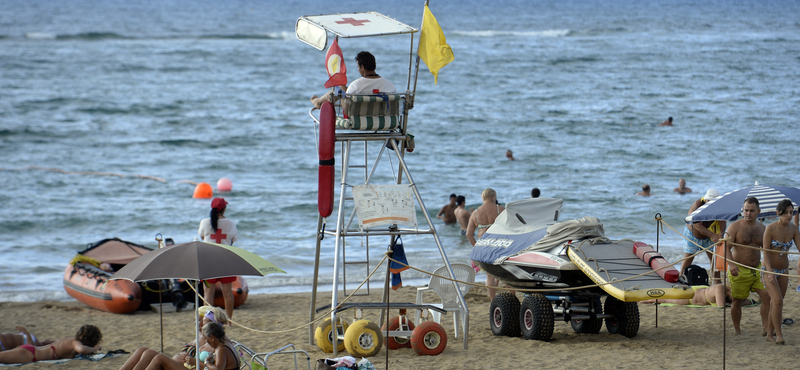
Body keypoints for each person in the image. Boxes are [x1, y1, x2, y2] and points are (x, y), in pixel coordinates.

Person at [724, 197, 771, 336]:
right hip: (738, 269)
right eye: (746, 210)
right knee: (737, 300)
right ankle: (737, 329)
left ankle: (765, 327)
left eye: (751, 211)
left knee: (767, 297)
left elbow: (767, 251)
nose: (748, 213)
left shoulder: (763, 228)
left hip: (757, 269)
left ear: (758, 211)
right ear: (742, 210)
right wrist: (731, 264)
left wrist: (769, 268)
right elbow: (726, 247)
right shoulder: (734, 227)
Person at [120, 322, 238, 370]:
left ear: (213, 336)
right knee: (145, 351)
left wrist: (203, 362)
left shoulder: (221, 349)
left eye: (207, 340)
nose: (207, 343)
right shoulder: (224, 344)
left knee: (159, 358)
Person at [761, 199, 800, 345]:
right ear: (778, 213)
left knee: (776, 303)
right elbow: (765, 252)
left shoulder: (793, 229)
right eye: (786, 213)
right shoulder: (770, 229)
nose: (789, 216)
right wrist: (770, 272)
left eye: (791, 213)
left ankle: (769, 334)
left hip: (784, 270)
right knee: (777, 300)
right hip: (769, 269)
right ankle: (779, 335)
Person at [310, 51, 396, 109]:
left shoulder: (356, 85)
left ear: (362, 67)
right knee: (346, 90)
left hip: (359, 117)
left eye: (358, 67)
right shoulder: (390, 85)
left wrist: (341, 92)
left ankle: (318, 102)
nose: (358, 69)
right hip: (384, 119)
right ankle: (318, 101)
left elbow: (347, 108)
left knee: (341, 88)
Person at [198, 197, 238, 320]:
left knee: (208, 293)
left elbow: (202, 237)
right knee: (227, 293)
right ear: (224, 209)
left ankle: (208, 320)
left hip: (208, 260)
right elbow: (233, 240)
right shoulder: (230, 223)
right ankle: (229, 320)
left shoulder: (205, 222)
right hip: (226, 260)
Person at [467, 188, 506, 300]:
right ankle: (512, 295)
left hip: (484, 245)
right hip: (500, 244)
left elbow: (469, 234)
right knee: (505, 272)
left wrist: (477, 247)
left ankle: (493, 300)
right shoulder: (501, 210)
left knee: (489, 275)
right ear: (493, 197)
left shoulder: (475, 213)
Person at [679, 189, 725, 277]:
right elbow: (697, 225)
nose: (710, 204)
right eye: (709, 201)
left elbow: (722, 220)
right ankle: (681, 277)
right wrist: (712, 235)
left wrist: (721, 234)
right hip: (693, 234)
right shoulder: (698, 205)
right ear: (705, 199)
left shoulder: (720, 207)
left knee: (714, 260)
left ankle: (717, 281)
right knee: (688, 257)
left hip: (709, 235)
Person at [0, 325, 101, 364]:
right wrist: (95, 348)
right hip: (30, 354)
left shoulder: (69, 339)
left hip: (29, 349)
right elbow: (82, 349)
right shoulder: (75, 343)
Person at [640, 284, 731, 306]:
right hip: (692, 296)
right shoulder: (721, 288)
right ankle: (644, 299)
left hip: (698, 291)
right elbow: (721, 306)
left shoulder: (724, 292)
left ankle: (645, 296)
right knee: (665, 299)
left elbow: (744, 301)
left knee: (667, 295)